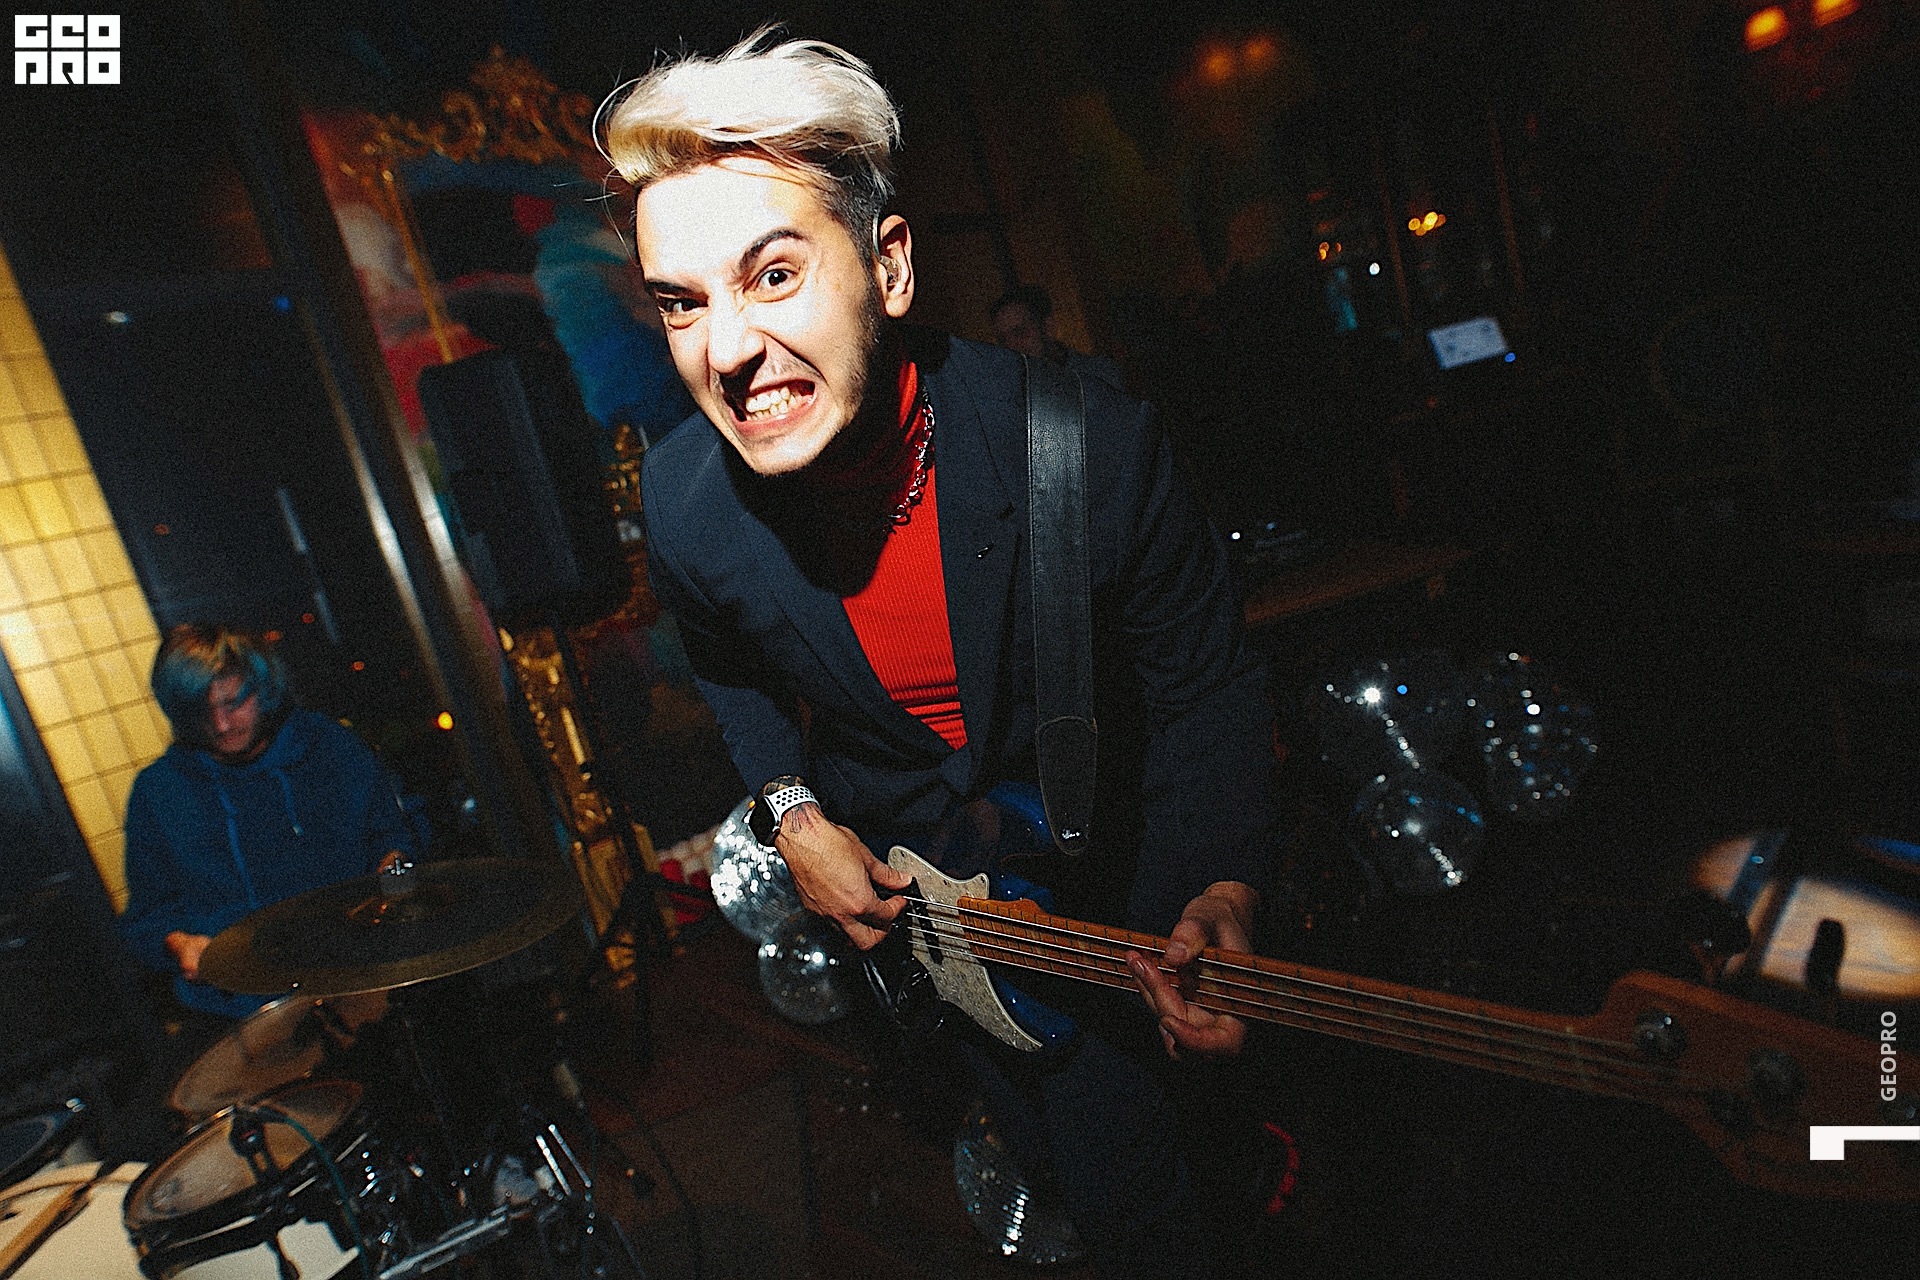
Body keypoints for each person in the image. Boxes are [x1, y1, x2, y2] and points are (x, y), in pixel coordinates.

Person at [609, 30, 1277, 1276]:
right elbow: (728, 666)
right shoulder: (690, 504)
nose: (726, 350)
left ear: (891, 266)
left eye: (772, 274)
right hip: (933, 921)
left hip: (1121, 899)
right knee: (1058, 1166)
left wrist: (1225, 883)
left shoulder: (1091, 448)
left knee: (1170, 1207)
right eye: (682, 302)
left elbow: (1206, 691)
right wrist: (794, 810)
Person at [118, 624, 427, 1021]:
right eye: (201, 712)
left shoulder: (330, 747)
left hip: (362, 978)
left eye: (233, 702)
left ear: (261, 687)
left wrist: (398, 885)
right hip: (240, 1009)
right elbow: (148, 917)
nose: (221, 725)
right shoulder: (159, 791)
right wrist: (179, 944)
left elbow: (397, 840)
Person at [989, 281, 1126, 389]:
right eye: (1003, 340)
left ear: (1048, 328)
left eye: (1020, 333)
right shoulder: (1007, 388)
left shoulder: (1096, 375)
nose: (1011, 346)